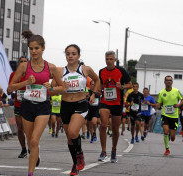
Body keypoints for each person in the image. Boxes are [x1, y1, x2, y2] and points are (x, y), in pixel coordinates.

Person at [7, 30, 64, 176]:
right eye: (31, 48)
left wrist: (51, 88)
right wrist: (26, 82)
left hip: (43, 106)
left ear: (43, 48)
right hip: (27, 105)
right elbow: (10, 88)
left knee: (33, 141)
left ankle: (30, 173)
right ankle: (35, 154)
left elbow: (62, 87)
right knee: (30, 142)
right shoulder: (24, 66)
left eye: (36, 48)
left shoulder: (50, 67)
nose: (33, 51)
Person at [52, 44, 100, 175]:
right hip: (65, 105)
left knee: (73, 132)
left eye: (73, 53)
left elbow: (97, 79)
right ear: (65, 55)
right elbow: (52, 89)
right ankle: (75, 164)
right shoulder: (60, 71)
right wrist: (61, 87)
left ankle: (80, 154)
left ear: (79, 55)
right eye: (68, 53)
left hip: (80, 104)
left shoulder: (85, 69)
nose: (70, 56)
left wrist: (94, 93)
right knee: (69, 138)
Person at [98, 50, 132, 163]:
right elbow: (101, 85)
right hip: (105, 101)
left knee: (115, 129)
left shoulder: (121, 71)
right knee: (103, 125)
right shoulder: (101, 71)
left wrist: (121, 86)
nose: (109, 61)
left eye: (111, 59)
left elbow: (130, 84)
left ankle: (114, 149)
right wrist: (95, 92)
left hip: (117, 102)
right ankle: (103, 151)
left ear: (115, 60)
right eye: (107, 59)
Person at [156, 75, 183, 156]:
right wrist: (157, 105)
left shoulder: (176, 91)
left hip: (174, 116)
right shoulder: (162, 92)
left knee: (172, 136)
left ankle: (171, 136)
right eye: (167, 80)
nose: (169, 81)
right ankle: (167, 149)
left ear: (172, 82)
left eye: (170, 80)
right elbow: (159, 103)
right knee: (165, 132)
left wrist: (178, 105)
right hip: (165, 115)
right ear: (164, 82)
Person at [7, 56, 29, 158]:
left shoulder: (31, 74)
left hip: (30, 103)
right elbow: (9, 90)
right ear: (18, 63)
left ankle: (31, 146)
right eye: (21, 61)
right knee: (20, 128)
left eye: (25, 61)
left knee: (29, 128)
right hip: (19, 104)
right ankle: (23, 149)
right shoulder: (13, 74)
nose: (23, 63)